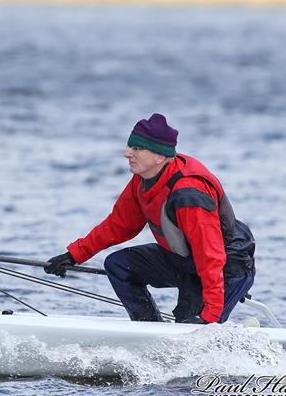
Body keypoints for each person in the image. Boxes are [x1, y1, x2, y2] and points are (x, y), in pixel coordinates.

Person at [44, 113, 255, 324]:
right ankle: (149, 328)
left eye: (137, 148)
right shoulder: (143, 178)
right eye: (129, 147)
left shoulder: (189, 193)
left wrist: (210, 315)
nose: (128, 153)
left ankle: (228, 341)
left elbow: (210, 254)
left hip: (226, 266)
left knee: (191, 331)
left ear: (160, 157)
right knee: (119, 265)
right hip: (187, 260)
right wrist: (74, 255)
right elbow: (118, 225)